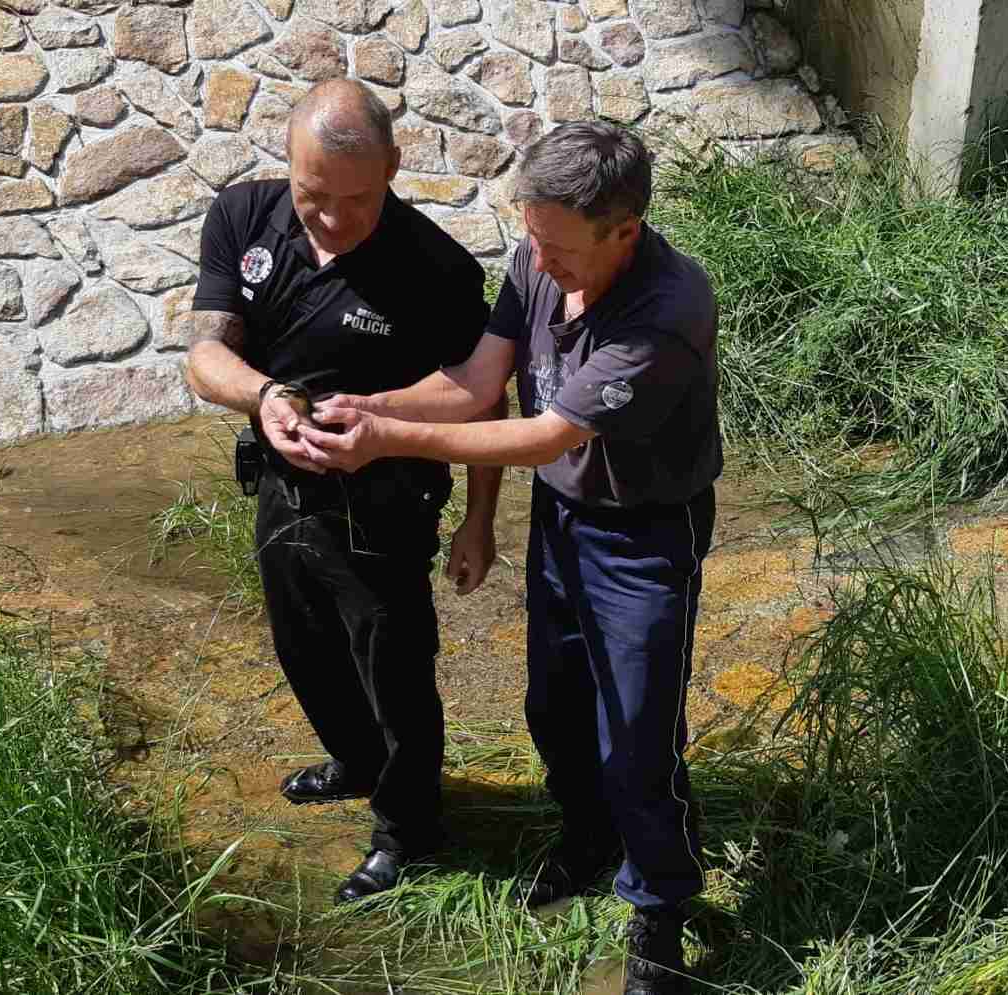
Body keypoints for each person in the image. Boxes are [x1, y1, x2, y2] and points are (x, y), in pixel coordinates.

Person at [290, 121, 721, 995]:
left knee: (638, 732)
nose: (540, 262)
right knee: (553, 706)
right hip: (562, 516)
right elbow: (479, 384)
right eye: (533, 238)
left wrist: (387, 441)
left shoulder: (666, 310)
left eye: (559, 249)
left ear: (624, 230)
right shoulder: (539, 255)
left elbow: (545, 433)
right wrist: (368, 407)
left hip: (644, 534)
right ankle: (588, 834)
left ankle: (660, 909)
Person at [182, 78, 504, 906]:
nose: (330, 218)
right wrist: (264, 397)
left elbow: (480, 396)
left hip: (387, 501)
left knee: (393, 667)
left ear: (393, 167)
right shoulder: (244, 217)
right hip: (282, 482)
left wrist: (478, 520)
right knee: (305, 646)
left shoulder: (436, 267)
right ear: (288, 163)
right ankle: (357, 762)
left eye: (355, 200)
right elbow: (206, 356)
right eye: (312, 195)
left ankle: (409, 829)